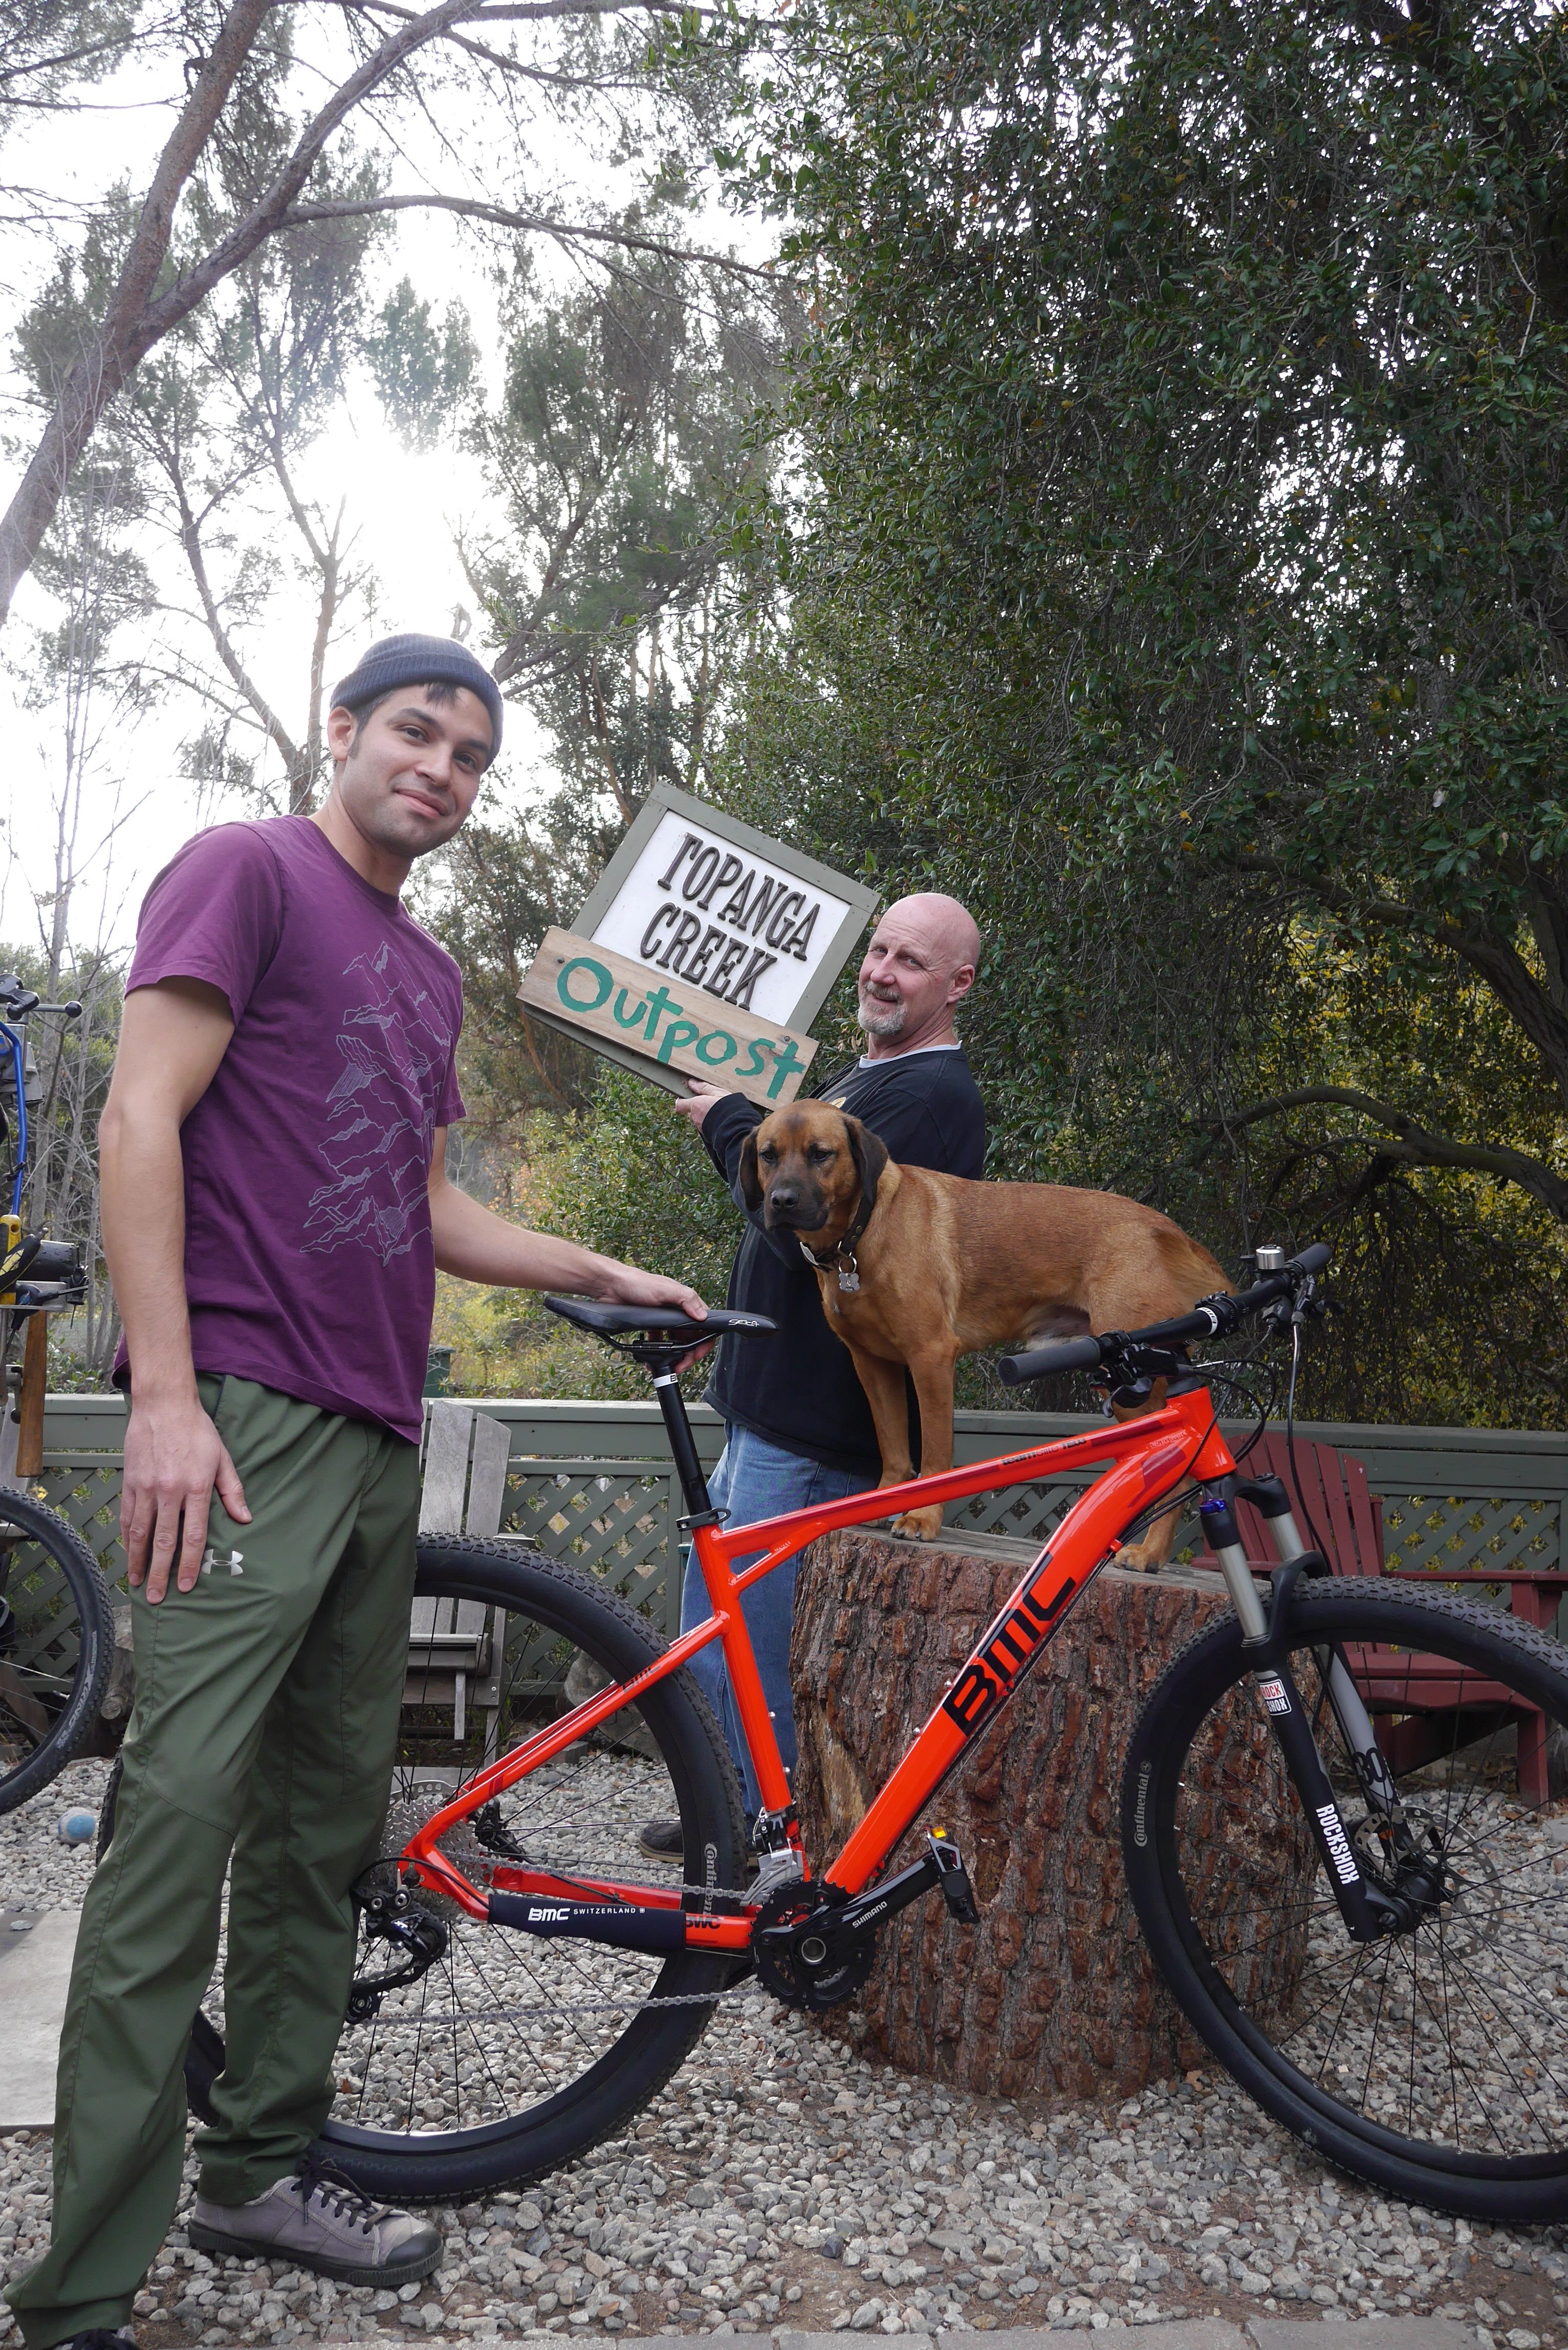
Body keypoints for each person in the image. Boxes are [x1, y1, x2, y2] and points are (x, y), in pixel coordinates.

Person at [7, 634, 708, 2350]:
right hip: (241, 1415)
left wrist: (599, 1262)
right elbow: (140, 1121)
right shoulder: (247, 871)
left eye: (472, 755)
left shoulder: (424, 968)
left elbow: (428, 1208)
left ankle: (255, 2170)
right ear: (344, 730)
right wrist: (161, 1394)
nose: (444, 771)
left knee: (325, 1830)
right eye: (417, 733)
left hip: (379, 1425)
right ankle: (85, 2286)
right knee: (177, 1827)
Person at [639, 892, 986, 1853]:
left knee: (756, 1635)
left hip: (816, 1426)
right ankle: (727, 1807)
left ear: (958, 986)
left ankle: (756, 1823)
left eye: (911, 962)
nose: (881, 971)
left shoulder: (929, 1098)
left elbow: (820, 1231)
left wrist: (729, 1128)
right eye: (878, 950)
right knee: (721, 1619)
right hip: (769, 1409)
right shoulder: (866, 1081)